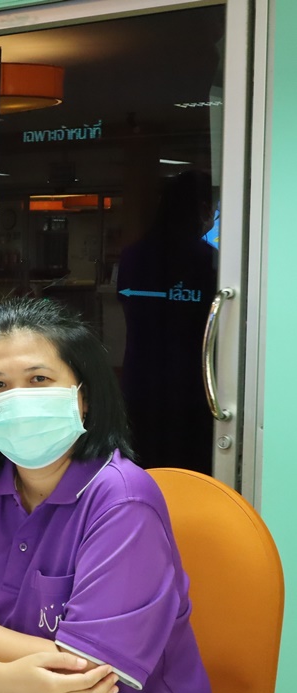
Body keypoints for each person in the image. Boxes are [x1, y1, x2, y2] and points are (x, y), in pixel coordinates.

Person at [0, 297, 211, 693]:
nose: (18, 399)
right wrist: (3, 681)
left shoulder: (123, 501)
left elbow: (88, 672)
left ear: (84, 397)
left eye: (38, 379)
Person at [117, 170, 218, 474]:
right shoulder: (207, 260)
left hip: (140, 382)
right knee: (188, 474)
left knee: (144, 469)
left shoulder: (133, 256)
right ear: (201, 207)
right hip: (192, 387)